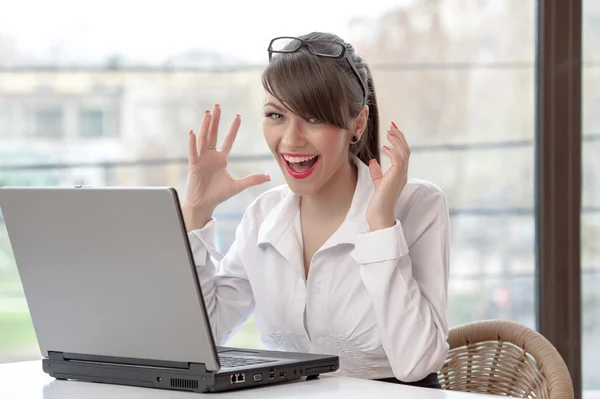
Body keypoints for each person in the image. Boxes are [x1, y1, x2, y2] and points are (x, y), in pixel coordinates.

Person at [181, 32, 450, 389]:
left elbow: (416, 363)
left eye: (313, 118)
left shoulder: (417, 205)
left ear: (357, 123)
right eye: (276, 115)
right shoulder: (264, 214)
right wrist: (196, 212)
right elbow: (201, 341)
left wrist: (381, 227)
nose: (291, 140)